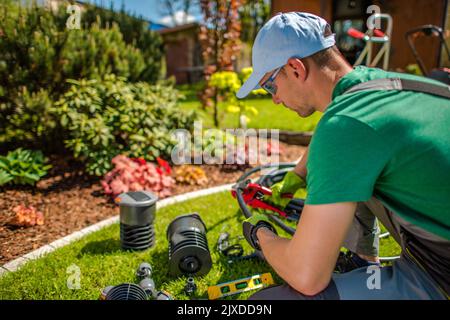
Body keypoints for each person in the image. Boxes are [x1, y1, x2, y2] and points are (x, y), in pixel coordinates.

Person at [238, 12, 450, 300]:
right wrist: (297, 176)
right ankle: (365, 264)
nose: (274, 98)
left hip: (439, 271)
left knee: (264, 303)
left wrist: (261, 235)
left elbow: (306, 277)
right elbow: (349, 139)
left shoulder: (346, 126)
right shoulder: (374, 84)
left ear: (296, 68)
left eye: (270, 85)